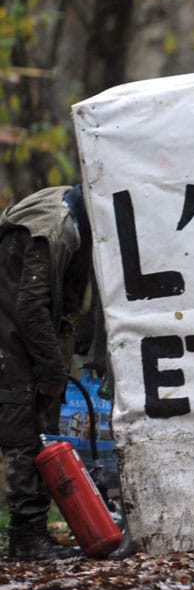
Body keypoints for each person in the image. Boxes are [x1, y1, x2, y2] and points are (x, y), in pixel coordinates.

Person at [0, 184, 92, 560]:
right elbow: (31, 306)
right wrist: (52, 369)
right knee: (24, 428)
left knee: (35, 426)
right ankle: (26, 538)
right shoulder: (57, 228)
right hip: (10, 334)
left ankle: (31, 534)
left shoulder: (76, 210)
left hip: (16, 330)